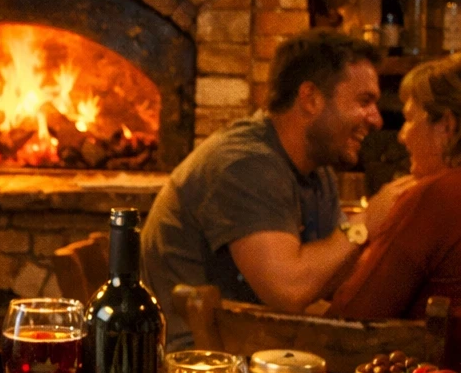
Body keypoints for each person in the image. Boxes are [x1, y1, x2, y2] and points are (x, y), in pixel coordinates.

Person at [141, 28, 401, 349]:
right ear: (310, 98)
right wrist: (365, 222)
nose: (376, 119)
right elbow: (289, 290)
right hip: (199, 368)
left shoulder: (317, 172)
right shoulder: (245, 164)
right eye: (364, 101)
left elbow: (329, 279)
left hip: (257, 347)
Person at [329, 53, 461, 366]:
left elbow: (351, 321)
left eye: (410, 119)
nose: (402, 136)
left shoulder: (434, 197)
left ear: (446, 125)